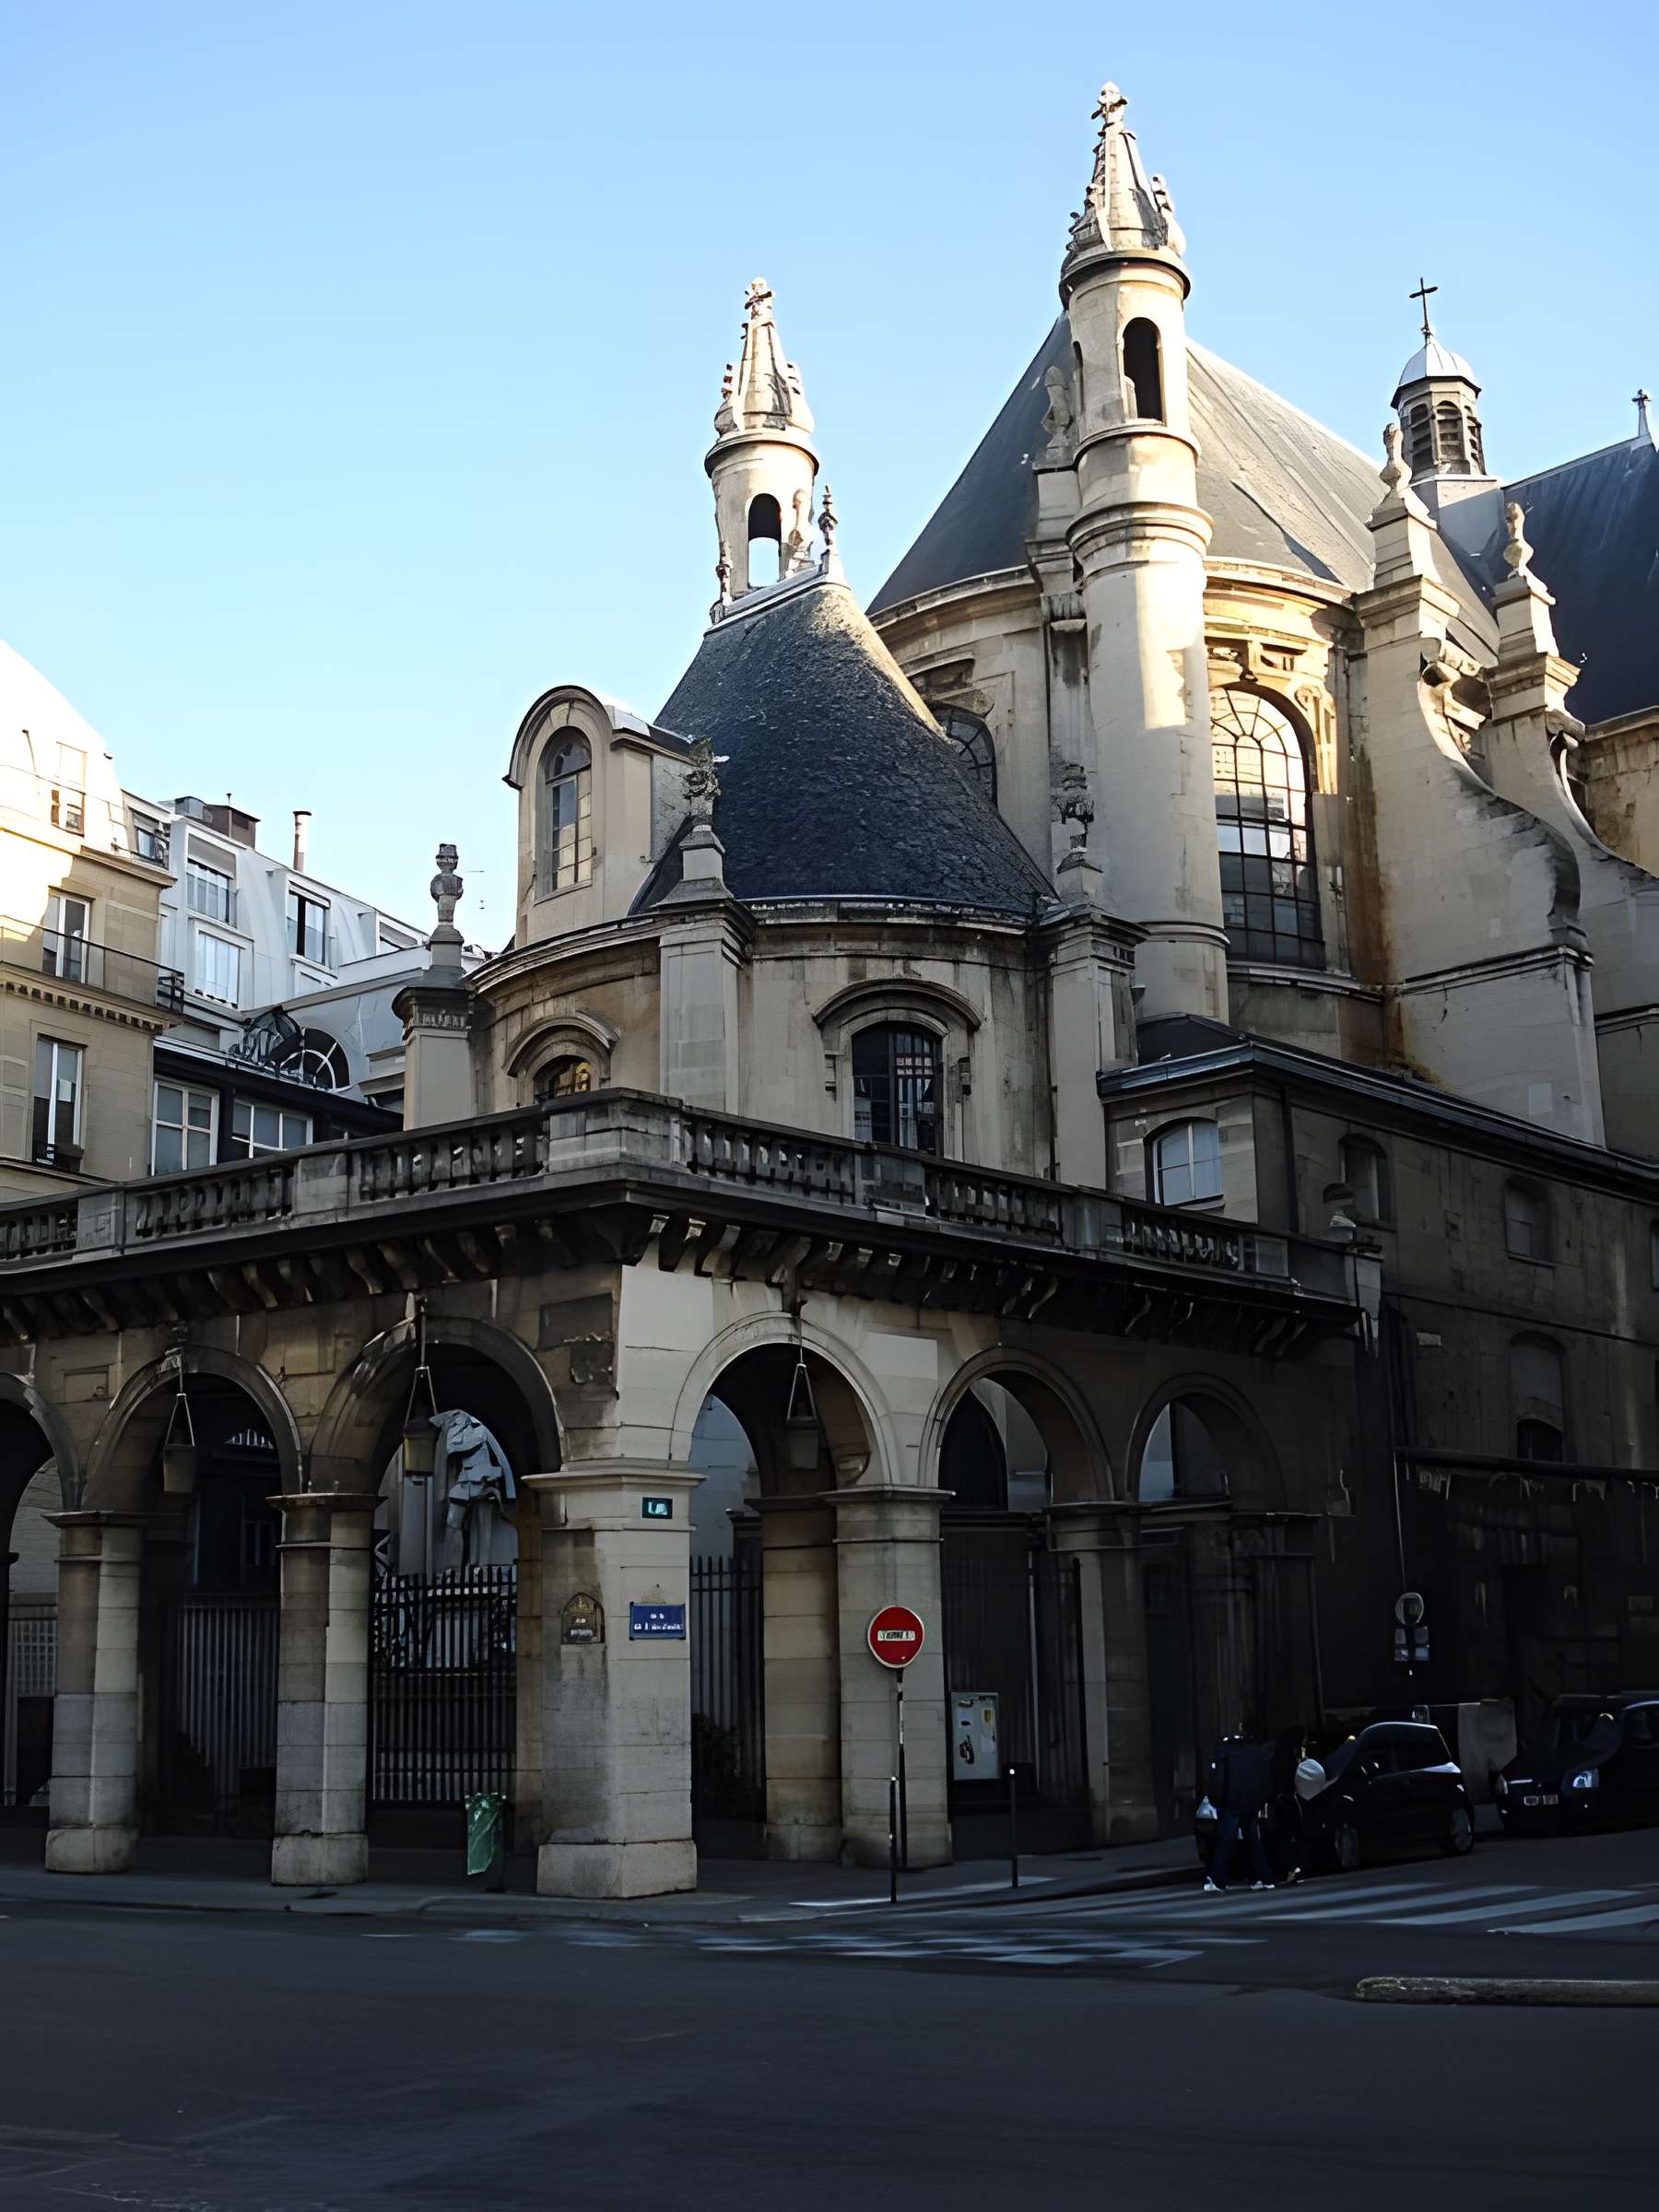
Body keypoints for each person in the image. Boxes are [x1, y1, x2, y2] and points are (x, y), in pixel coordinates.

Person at [1204, 1725, 1276, 1893]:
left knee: (1225, 1841)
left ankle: (1218, 1879)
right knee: (1253, 1842)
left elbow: (1218, 1781)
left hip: (1231, 1802)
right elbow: (1265, 1779)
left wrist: (1217, 1801)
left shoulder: (1224, 1751)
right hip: (1251, 1802)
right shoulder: (1257, 1751)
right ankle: (1263, 1878)